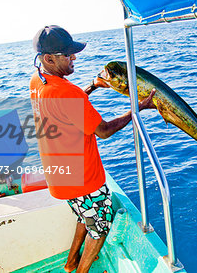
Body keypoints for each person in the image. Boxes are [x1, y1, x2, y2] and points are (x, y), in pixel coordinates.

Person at [29, 25, 156, 273]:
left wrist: (93, 86)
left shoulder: (38, 81)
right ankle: (81, 270)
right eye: (67, 54)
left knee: (83, 215)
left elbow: (65, 106)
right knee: (99, 227)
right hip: (84, 179)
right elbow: (104, 130)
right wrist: (138, 109)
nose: (74, 57)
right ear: (49, 58)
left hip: (60, 176)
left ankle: (70, 263)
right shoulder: (68, 92)